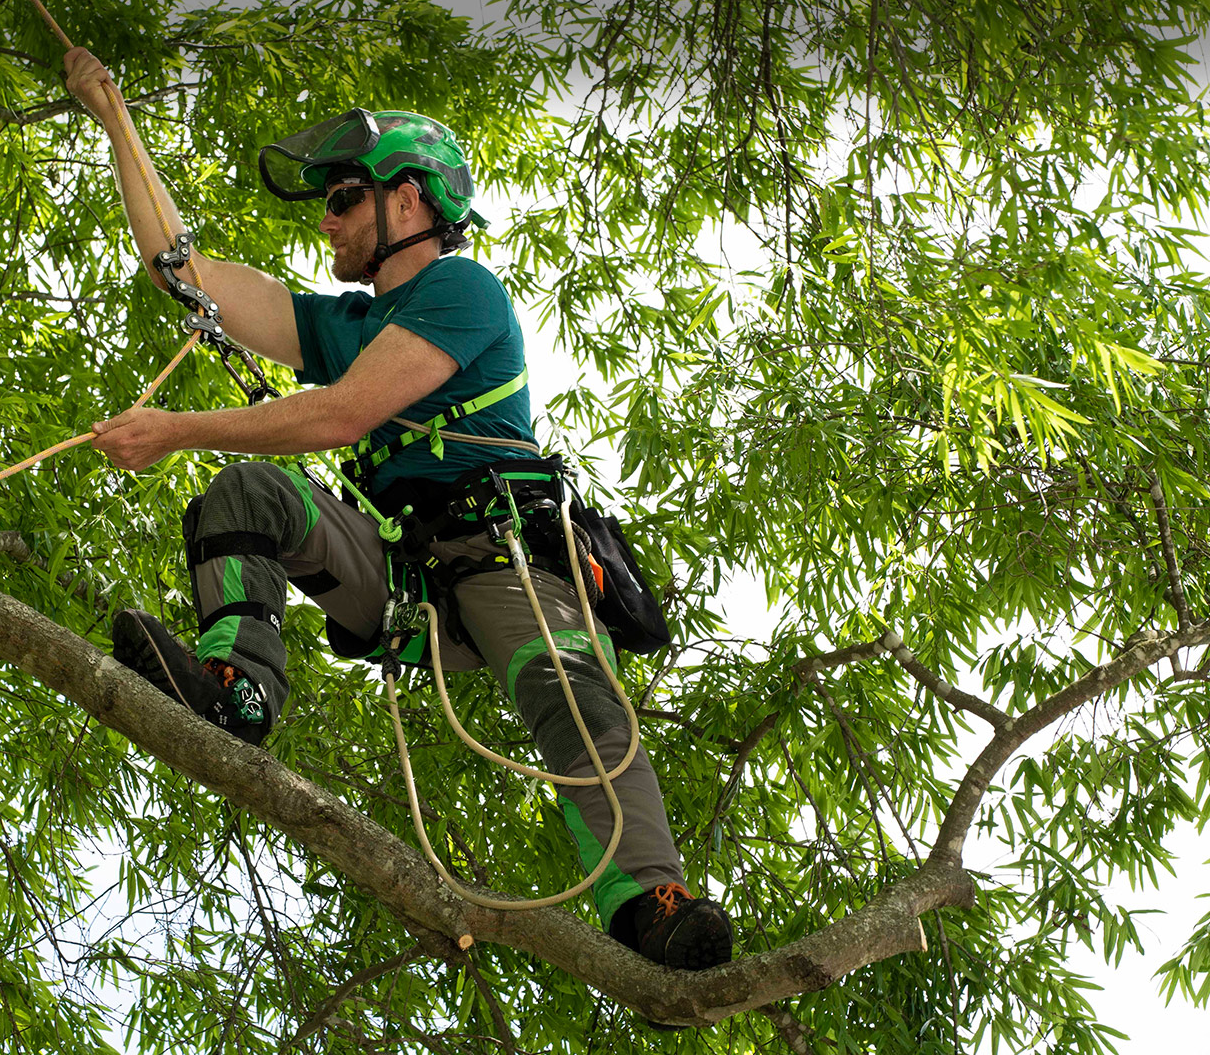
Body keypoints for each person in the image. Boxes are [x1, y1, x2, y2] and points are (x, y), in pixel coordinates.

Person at [64, 47, 733, 971]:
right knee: (248, 493)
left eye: (344, 198)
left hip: (505, 562)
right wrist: (115, 121)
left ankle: (646, 897)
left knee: (566, 693)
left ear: (409, 202)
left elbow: (340, 416)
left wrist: (175, 426)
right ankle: (236, 687)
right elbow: (184, 272)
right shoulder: (343, 326)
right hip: (409, 580)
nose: (329, 221)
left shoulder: (461, 290)